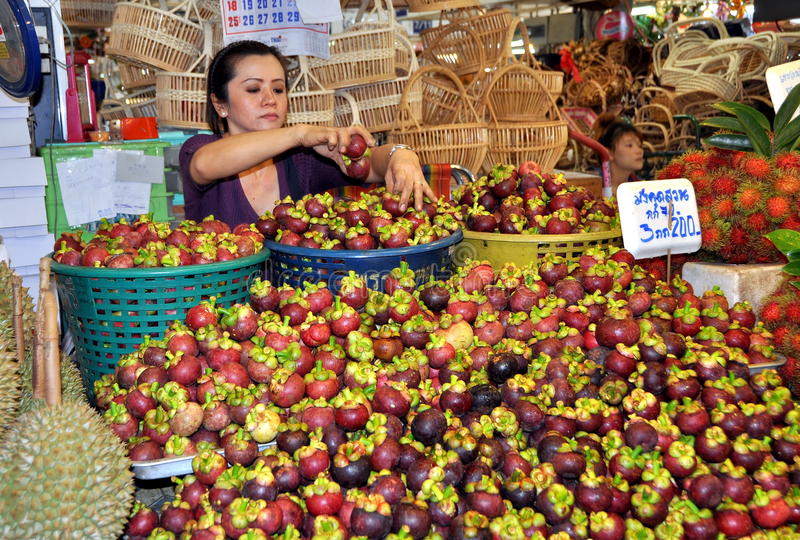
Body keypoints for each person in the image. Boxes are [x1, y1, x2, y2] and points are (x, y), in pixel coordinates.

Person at [180, 40, 435, 228]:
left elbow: (371, 165)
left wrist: (400, 156)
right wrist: (299, 134)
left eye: (278, 90)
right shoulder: (199, 148)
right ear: (220, 105)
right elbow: (204, 164)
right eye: (254, 89)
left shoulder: (302, 160)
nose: (270, 100)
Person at [594, 113, 644, 196]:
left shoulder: (640, 188)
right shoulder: (593, 190)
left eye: (640, 146)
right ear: (609, 153)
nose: (639, 151)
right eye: (629, 145)